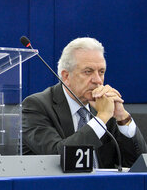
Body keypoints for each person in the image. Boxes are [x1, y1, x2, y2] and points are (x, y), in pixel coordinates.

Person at [22, 37, 147, 168]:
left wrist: (122, 117)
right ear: (66, 76)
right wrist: (101, 118)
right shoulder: (36, 106)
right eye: (88, 72)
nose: (98, 80)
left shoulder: (105, 107)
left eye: (101, 72)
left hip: (105, 187)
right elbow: (57, 157)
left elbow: (139, 165)